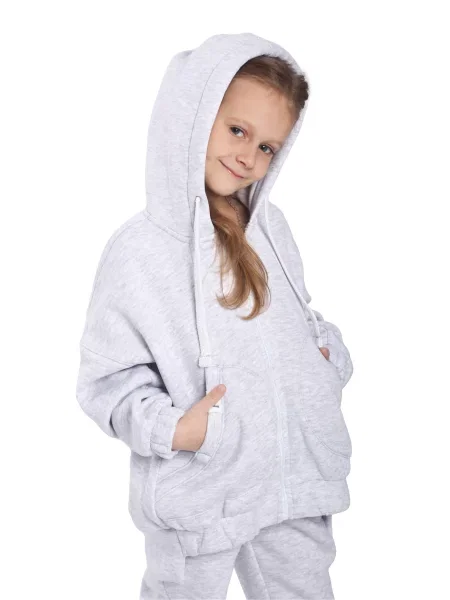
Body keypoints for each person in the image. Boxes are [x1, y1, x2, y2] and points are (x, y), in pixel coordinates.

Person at [76, 32, 354, 599]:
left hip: (293, 481)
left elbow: (297, 317)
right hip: (201, 489)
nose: (249, 157)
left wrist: (325, 358)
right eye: (237, 130)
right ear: (191, 115)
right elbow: (107, 380)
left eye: (268, 146)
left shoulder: (272, 230)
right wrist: (175, 429)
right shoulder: (141, 250)